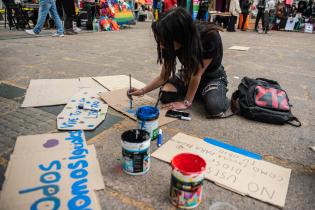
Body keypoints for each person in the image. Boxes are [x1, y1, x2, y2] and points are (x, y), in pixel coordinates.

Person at [128, 7, 229, 118]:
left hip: (212, 76)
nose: (161, 45)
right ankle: (201, 92)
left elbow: (197, 74)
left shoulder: (209, 37)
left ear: (180, 35)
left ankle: (212, 90)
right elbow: (163, 77)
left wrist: (186, 102)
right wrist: (143, 90)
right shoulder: (169, 43)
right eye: (160, 40)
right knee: (165, 95)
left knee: (214, 106)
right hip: (188, 74)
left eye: (164, 40)